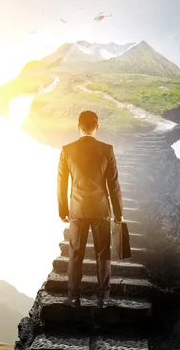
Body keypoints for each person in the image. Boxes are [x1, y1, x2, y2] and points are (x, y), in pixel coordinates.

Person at [57, 110, 124, 308]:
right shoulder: (107, 149)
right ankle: (103, 298)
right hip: (101, 209)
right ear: (97, 126)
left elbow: (61, 183)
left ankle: (74, 296)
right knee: (103, 253)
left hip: (77, 209)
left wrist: (63, 210)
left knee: (75, 253)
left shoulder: (67, 149)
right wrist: (118, 213)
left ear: (78, 126)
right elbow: (114, 185)